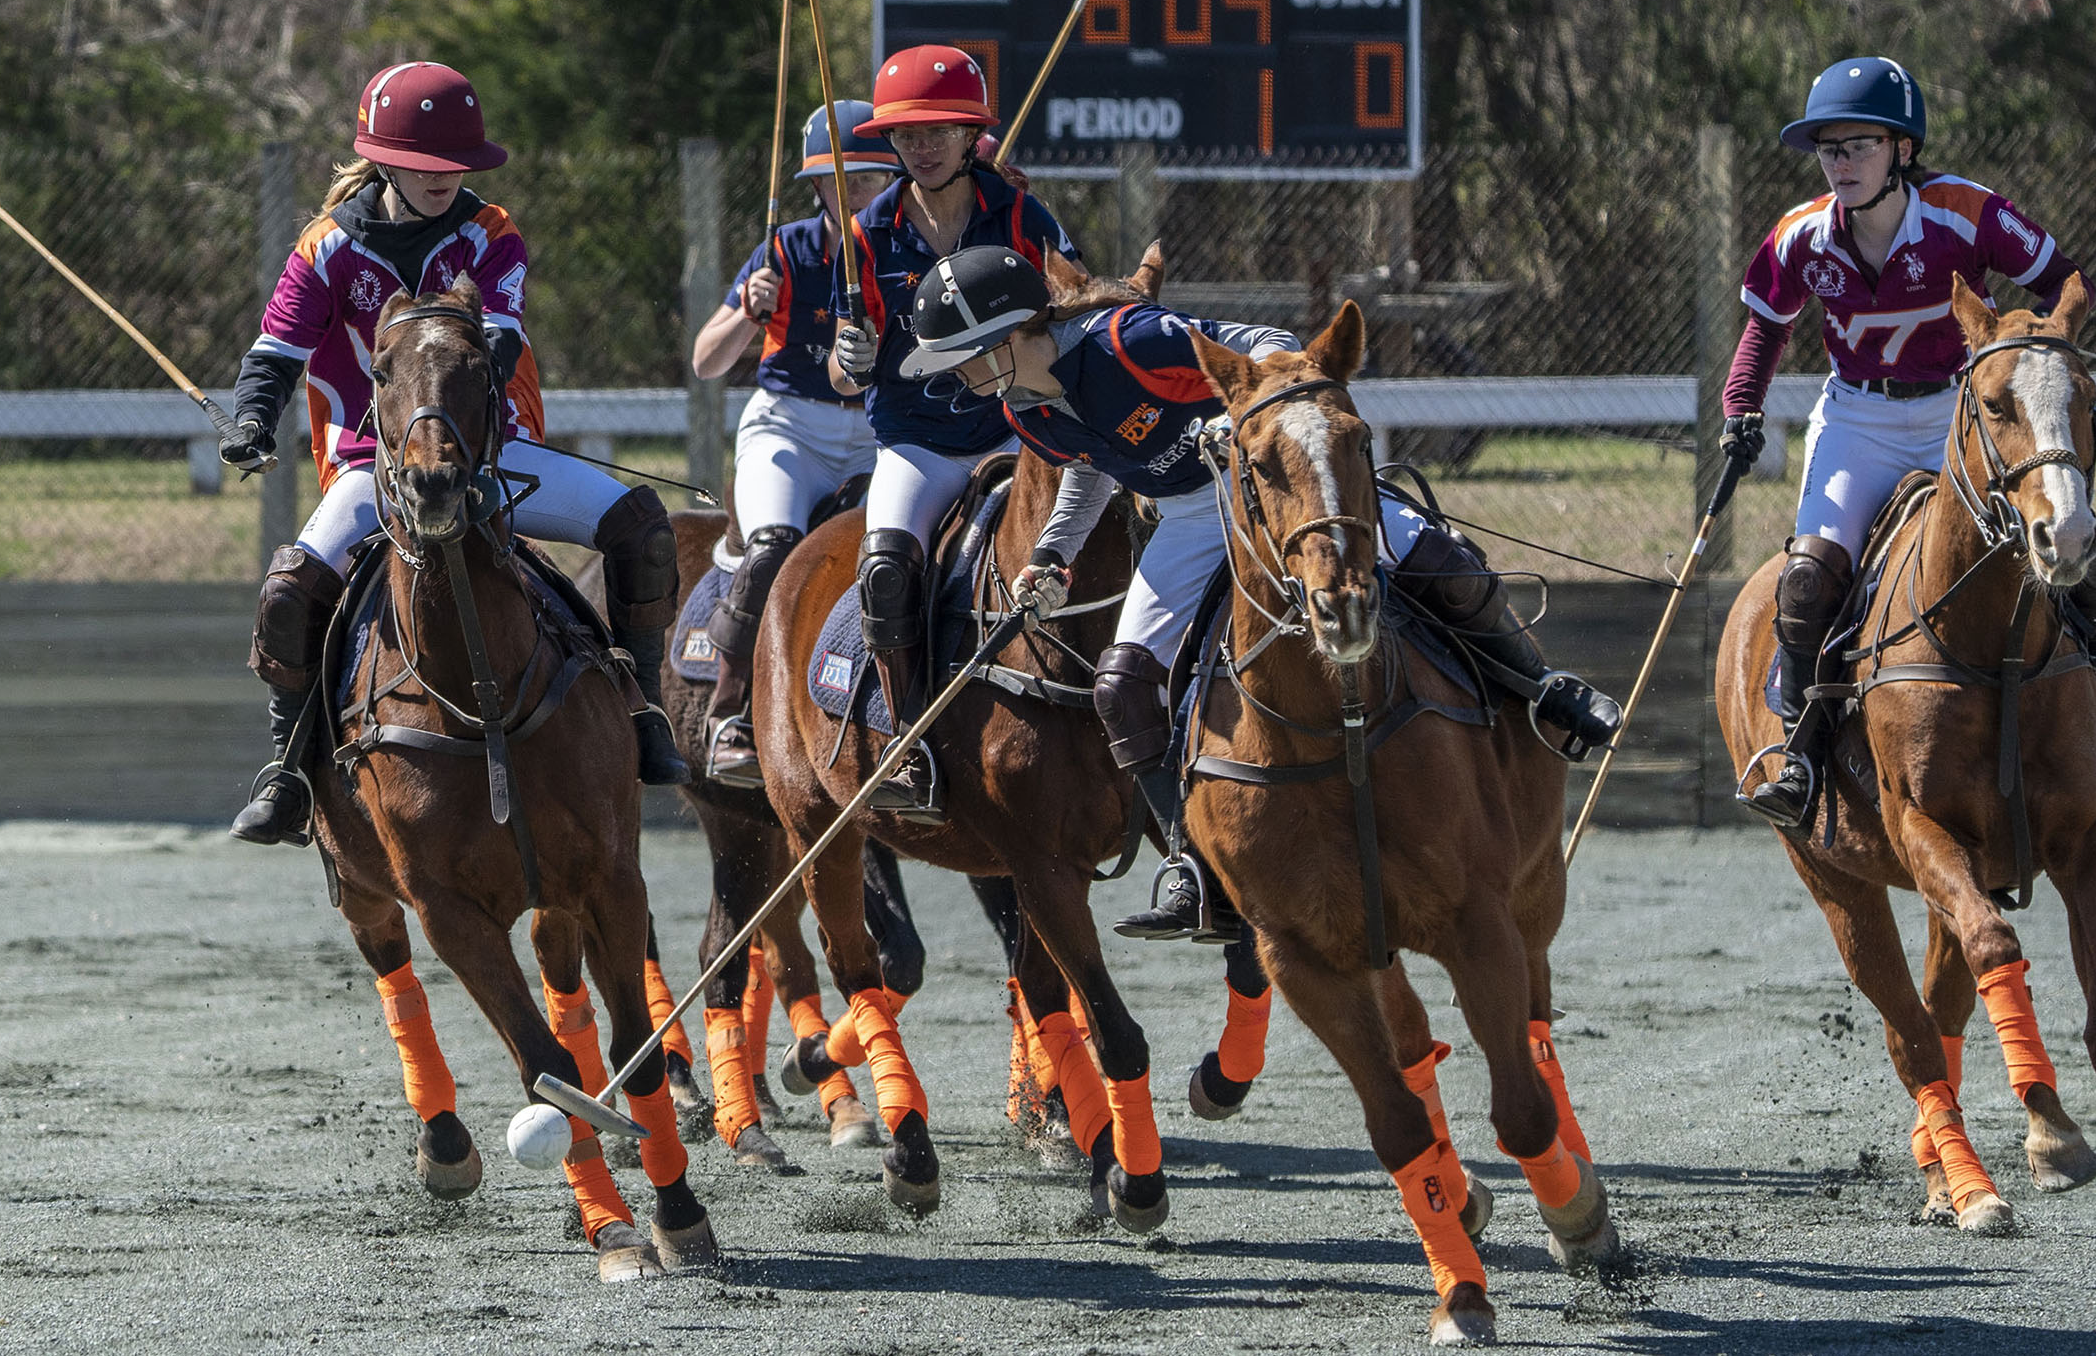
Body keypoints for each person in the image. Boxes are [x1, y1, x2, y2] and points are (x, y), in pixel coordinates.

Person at [901, 247, 1626, 939]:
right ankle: (1192, 863)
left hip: (1275, 483)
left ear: (1003, 337)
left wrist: (1245, 416)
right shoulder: (1026, 408)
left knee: (1439, 558)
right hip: (1191, 513)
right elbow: (1091, 467)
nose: (957, 376)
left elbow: (1272, 341)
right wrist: (1053, 554)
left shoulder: (1132, 340)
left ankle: (1546, 689)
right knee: (1121, 685)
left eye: (962, 358)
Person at [224, 61, 689, 846]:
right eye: (428, 164)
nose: (448, 178)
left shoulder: (490, 233)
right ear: (383, 160)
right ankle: (291, 772)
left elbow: (502, 331)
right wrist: (250, 420)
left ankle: (642, 708)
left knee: (640, 525)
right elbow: (274, 354)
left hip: (493, 459)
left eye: (458, 163)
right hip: (377, 470)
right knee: (286, 593)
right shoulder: (327, 248)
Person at [1725, 56, 2096, 826]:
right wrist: (1741, 407)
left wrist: (2031, 360)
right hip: (1858, 420)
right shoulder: (1800, 235)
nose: (1841, 163)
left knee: (2076, 551)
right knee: (1809, 579)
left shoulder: (1967, 214)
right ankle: (1802, 756)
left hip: (1963, 414)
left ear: (1902, 149)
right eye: (1829, 148)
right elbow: (1765, 328)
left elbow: (2065, 282)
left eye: (1860, 145)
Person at [824, 46, 1083, 814]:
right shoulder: (867, 235)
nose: (923, 147)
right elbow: (845, 374)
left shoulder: (1020, 214)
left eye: (941, 131)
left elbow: (1076, 309)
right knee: (886, 566)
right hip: (918, 442)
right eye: (908, 136)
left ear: (973, 135)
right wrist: (851, 356)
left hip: (1017, 430)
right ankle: (908, 744)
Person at [687, 102, 897, 785]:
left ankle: (891, 717)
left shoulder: (910, 255)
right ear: (817, 187)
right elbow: (706, 361)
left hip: (877, 431)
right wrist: (748, 311)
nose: (858, 192)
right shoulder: (784, 251)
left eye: (870, 178)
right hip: (790, 428)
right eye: (843, 180)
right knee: (774, 544)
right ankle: (729, 713)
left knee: (891, 559)